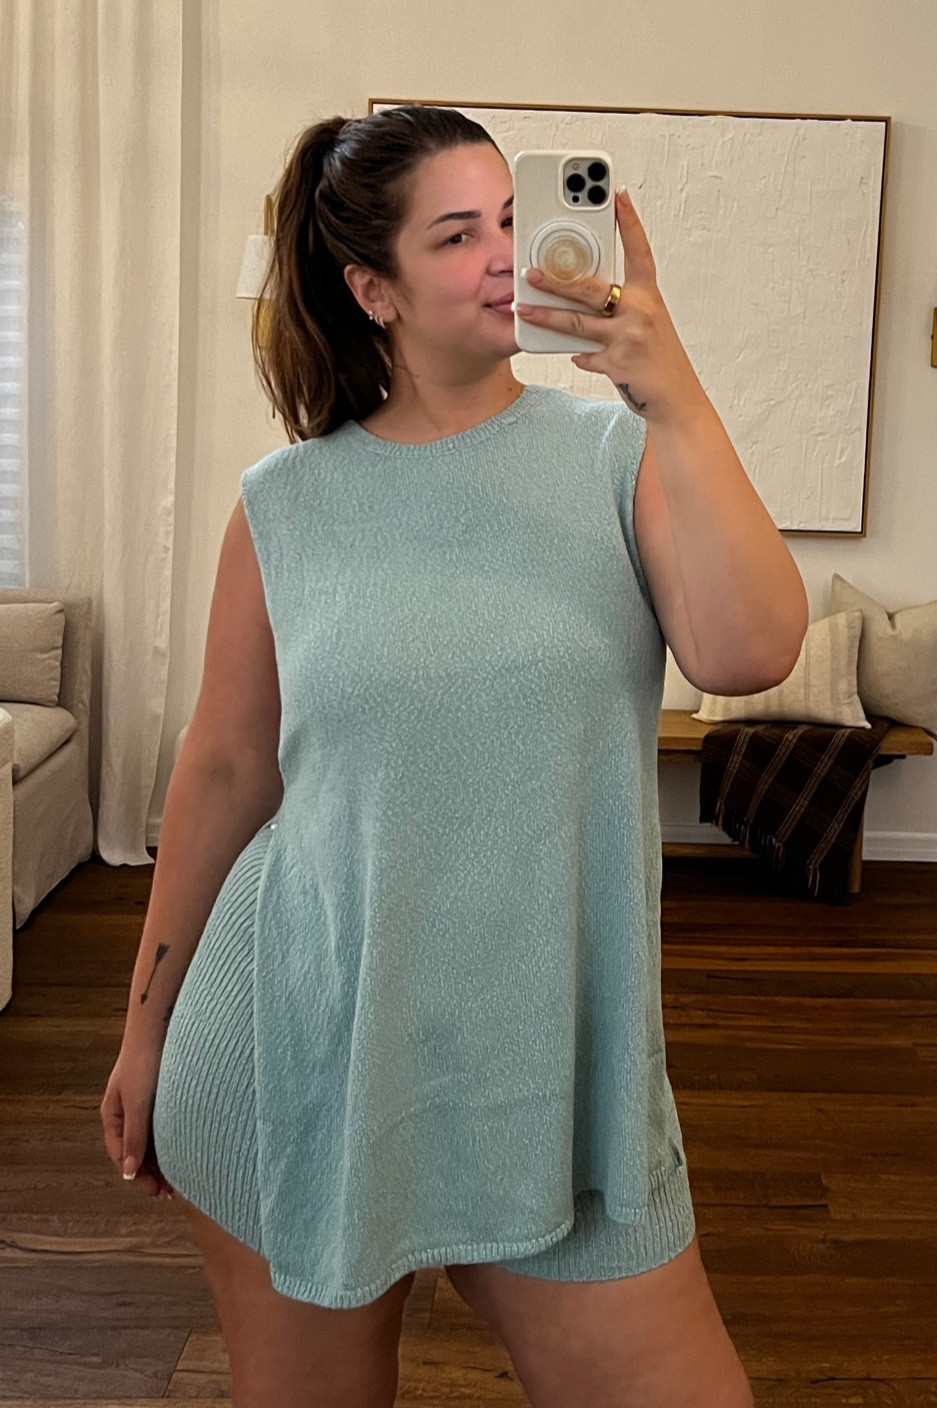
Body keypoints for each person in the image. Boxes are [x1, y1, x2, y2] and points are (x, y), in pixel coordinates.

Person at [100, 104, 808, 1408]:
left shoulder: (620, 456)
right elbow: (225, 772)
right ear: (372, 289)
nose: (504, 254)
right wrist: (144, 1036)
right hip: (297, 1046)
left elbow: (749, 650)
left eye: (511, 217)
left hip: (552, 1069)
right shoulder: (284, 505)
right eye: (457, 233)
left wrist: (672, 385)